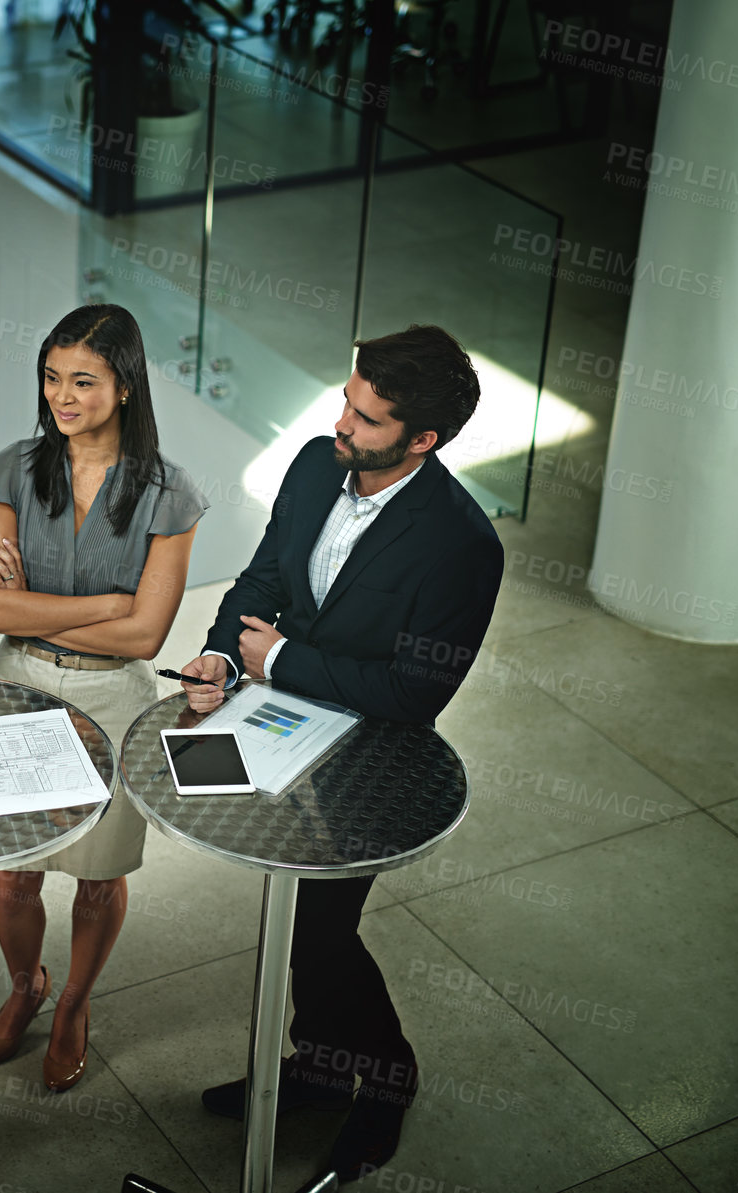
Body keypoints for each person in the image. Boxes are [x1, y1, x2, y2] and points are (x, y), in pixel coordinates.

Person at [177, 324, 504, 1182]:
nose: (341, 424)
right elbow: (265, 578)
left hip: (370, 759)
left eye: (364, 417)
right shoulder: (321, 463)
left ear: (421, 439)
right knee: (301, 923)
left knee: (320, 933)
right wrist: (220, 650)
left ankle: (386, 1080)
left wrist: (277, 660)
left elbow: (414, 693)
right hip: (280, 735)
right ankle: (320, 1069)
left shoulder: (463, 545)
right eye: (346, 403)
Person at [0, 303, 208, 1092]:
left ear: (126, 385)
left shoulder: (171, 497)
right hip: (20, 687)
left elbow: (145, 640)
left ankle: (72, 1002)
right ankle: (22, 986)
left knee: (98, 875)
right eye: (50, 378)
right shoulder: (10, 470)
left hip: (114, 698)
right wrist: (108, 603)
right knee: (11, 874)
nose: (60, 397)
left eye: (82, 380)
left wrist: (86, 612)